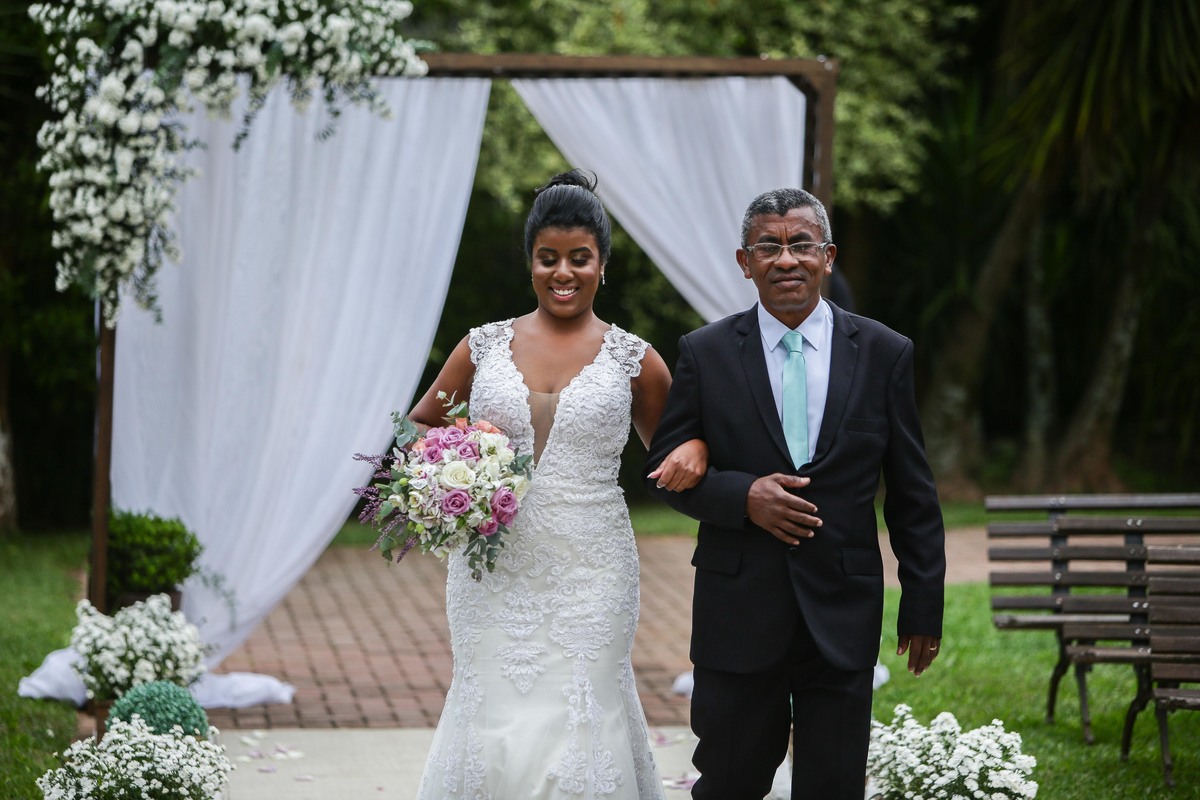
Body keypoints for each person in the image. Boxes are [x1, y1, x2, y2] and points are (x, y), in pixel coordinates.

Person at [408, 169, 707, 799]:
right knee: (492, 711)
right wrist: (453, 467)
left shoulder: (633, 359)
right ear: (531, 263)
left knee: (582, 707)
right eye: (548, 258)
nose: (563, 272)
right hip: (493, 569)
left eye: (579, 258)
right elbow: (420, 429)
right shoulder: (482, 347)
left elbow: (677, 453)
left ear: (602, 265)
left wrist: (698, 447)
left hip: (592, 569)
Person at [645, 187, 946, 800]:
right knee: (729, 784)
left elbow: (912, 491)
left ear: (827, 257)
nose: (786, 259)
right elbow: (666, 471)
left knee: (833, 786)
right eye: (769, 246)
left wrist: (922, 603)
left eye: (801, 244)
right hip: (738, 613)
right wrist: (742, 496)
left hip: (841, 612)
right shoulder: (704, 352)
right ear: (744, 262)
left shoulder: (885, 353)